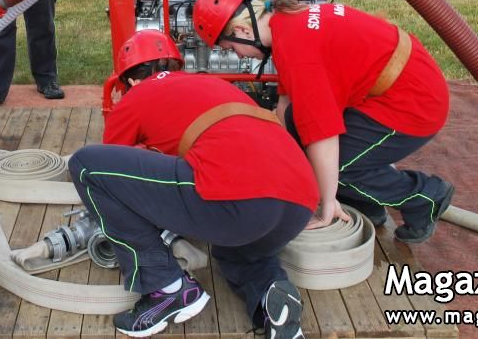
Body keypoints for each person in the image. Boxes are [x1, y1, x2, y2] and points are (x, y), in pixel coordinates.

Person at [69, 30, 317, 338]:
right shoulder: (210, 83)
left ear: (131, 81)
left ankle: (167, 287)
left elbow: (114, 177)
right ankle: (271, 299)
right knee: (237, 252)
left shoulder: (135, 98)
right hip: (299, 201)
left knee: (85, 166)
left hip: (240, 201)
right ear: (175, 66)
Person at [192, 0, 454, 244]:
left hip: (414, 103)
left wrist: (325, 204)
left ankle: (425, 198)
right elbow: (286, 108)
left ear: (241, 30)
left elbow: (323, 137)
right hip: (397, 85)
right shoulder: (286, 23)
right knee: (305, 136)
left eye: (230, 48)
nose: (238, 56)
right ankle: (366, 202)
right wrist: (280, 162)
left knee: (338, 170)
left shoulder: (298, 51)